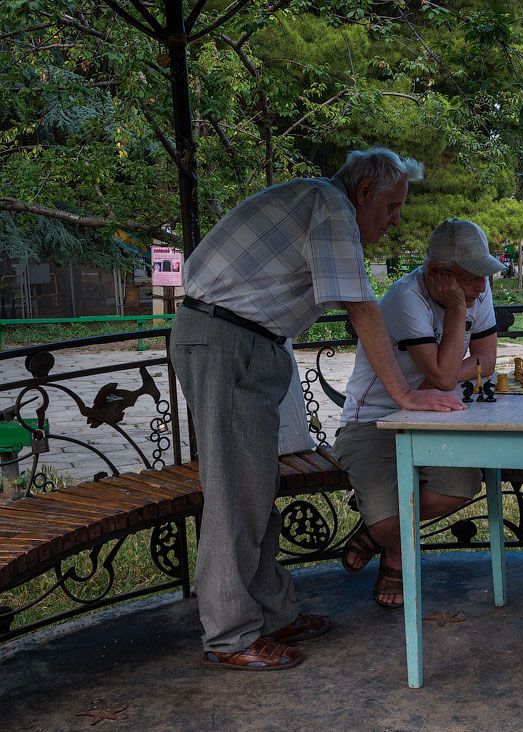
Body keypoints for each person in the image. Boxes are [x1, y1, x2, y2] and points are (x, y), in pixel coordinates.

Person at [171, 147, 465, 672]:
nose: (396, 220)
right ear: (364, 192)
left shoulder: (322, 203)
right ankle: (230, 635)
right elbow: (360, 306)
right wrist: (404, 394)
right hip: (225, 340)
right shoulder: (330, 206)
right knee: (235, 493)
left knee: (255, 487)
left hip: (247, 340)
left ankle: (270, 614)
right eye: (392, 206)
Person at [334, 218, 503, 608]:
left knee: (460, 487)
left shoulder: (478, 289)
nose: (482, 286)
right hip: (373, 421)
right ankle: (393, 548)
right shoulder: (404, 299)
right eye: (471, 278)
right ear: (437, 274)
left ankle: (377, 535)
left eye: (483, 276)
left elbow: (487, 360)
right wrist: (459, 310)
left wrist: (440, 379)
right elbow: (447, 374)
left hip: (435, 414)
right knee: (389, 522)